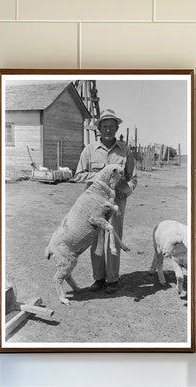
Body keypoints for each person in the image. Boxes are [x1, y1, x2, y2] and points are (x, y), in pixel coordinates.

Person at [73, 109, 137, 294]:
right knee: (96, 240)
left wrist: (125, 192)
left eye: (112, 126)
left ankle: (113, 280)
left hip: (116, 202)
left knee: (114, 239)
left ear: (117, 128)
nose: (108, 130)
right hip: (94, 203)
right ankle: (99, 278)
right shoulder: (89, 150)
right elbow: (78, 175)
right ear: (99, 128)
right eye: (105, 126)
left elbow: (133, 177)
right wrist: (101, 175)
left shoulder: (125, 150)